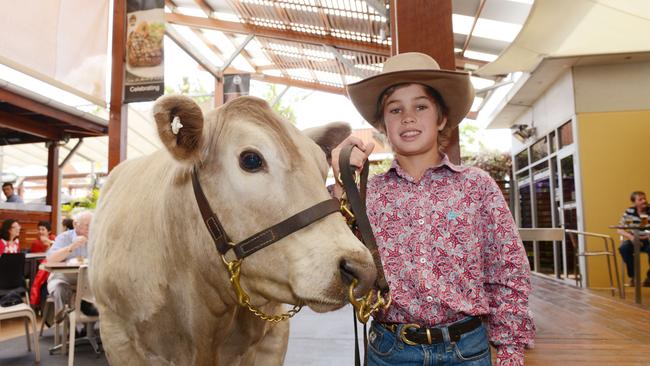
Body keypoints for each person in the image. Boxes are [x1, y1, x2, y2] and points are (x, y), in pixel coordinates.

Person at [331, 53, 535, 365]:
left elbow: (507, 268)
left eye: (420, 106)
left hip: (466, 350)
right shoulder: (367, 194)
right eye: (395, 109)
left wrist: (509, 349)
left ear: (441, 119)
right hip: (391, 350)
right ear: (383, 124)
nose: (407, 117)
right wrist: (343, 184)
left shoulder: (476, 186)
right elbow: (337, 264)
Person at [46, 211, 93, 323]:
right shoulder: (64, 237)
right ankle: (63, 316)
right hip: (63, 277)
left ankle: (86, 326)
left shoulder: (96, 239)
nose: (91, 228)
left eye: (93, 225)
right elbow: (51, 259)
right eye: (87, 225)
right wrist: (72, 247)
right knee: (59, 287)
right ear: (76, 224)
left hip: (86, 280)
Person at [617, 191, 650, 287]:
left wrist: (646, 236)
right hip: (633, 239)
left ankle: (649, 278)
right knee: (624, 248)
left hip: (647, 240)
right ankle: (633, 277)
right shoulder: (630, 212)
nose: (644, 201)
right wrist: (632, 237)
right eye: (640, 199)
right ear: (634, 202)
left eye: (644, 198)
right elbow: (620, 229)